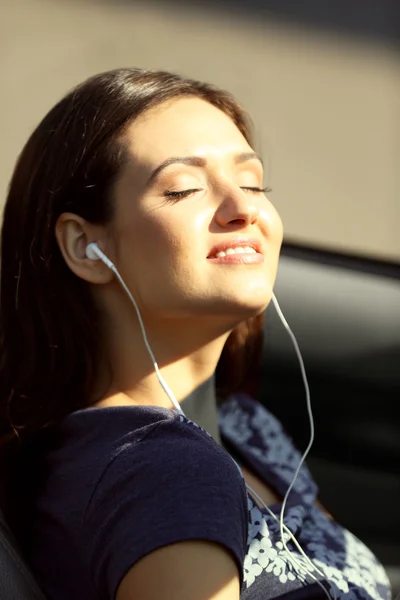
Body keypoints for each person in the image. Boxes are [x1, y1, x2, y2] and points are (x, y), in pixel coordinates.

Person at [0, 68, 390, 600]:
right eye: (183, 189)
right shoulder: (162, 469)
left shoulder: (243, 424)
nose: (244, 208)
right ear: (84, 246)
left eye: (253, 183)